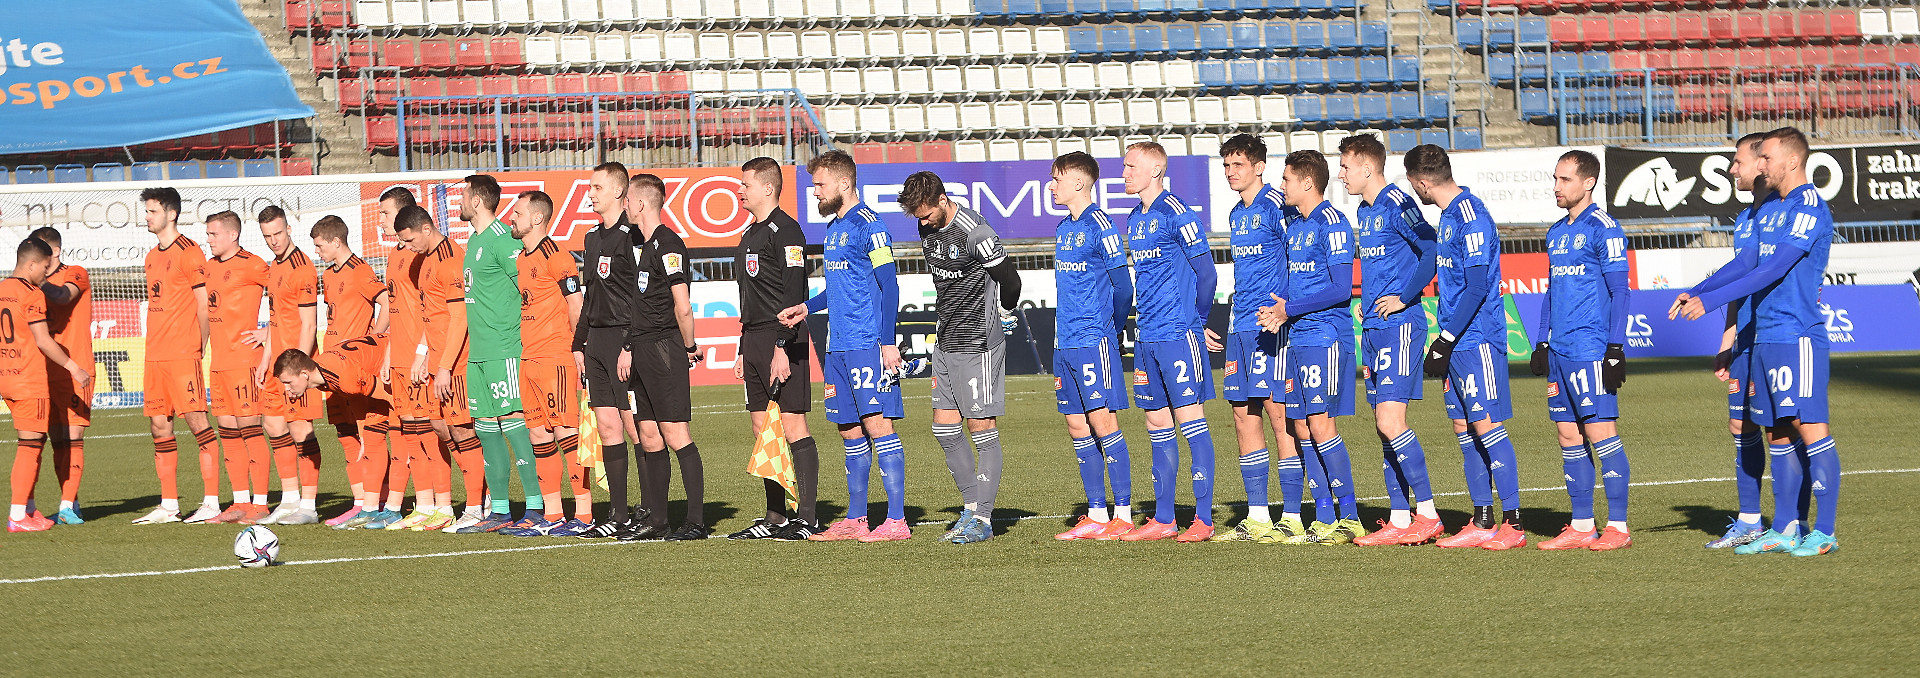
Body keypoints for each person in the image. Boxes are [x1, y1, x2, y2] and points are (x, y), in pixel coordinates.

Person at [1673, 127, 1840, 557]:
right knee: (1778, 432)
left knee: (1809, 426)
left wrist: (1710, 302)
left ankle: (1824, 531)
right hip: (1766, 335)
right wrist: (1699, 290)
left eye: (1766, 157)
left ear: (1792, 161)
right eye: (1759, 158)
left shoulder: (1808, 206)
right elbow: (1746, 262)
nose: (1760, 166)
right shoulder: (1768, 212)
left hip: (1796, 333)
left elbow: (1774, 269)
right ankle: (1783, 528)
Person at [777, 150, 913, 543]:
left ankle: (896, 521)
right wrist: (806, 307)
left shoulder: (870, 225)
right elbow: (836, 288)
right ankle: (856, 519)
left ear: (844, 183)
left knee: (877, 425)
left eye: (820, 184)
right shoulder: (834, 228)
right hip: (837, 345)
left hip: (867, 343)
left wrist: (887, 342)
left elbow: (889, 285)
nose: (815, 191)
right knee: (849, 430)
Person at [1404, 145, 1528, 550]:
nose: (1415, 190)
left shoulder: (1471, 217)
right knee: (1463, 427)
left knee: (1487, 426)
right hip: (1457, 340)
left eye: (1413, 183)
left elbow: (1476, 288)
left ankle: (1513, 523)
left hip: (1477, 339)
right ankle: (1482, 520)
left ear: (1423, 182)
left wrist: (1446, 339)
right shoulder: (1449, 216)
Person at [897, 171, 1022, 545]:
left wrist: (1006, 310)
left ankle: (983, 519)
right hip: (946, 340)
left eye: (925, 214)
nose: (922, 223)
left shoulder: (975, 231)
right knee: (944, 428)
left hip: (978, 341)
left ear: (942, 199)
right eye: (917, 217)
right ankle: (970, 510)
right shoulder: (927, 229)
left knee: (981, 427)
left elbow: (1010, 279)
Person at [1338, 135, 1445, 547]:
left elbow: (1430, 250)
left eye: (1346, 167)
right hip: (1374, 327)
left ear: (1367, 168)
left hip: (1401, 326)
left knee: (1390, 421)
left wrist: (1404, 297)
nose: (1341, 174)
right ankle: (1399, 518)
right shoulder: (1365, 210)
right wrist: (1367, 302)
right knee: (1383, 428)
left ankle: (1428, 514)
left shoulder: (1398, 203)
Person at [1256, 149, 1365, 545]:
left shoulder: (1332, 223)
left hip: (1325, 336)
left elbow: (1340, 289)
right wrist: (1277, 309)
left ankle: (1350, 518)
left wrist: (1289, 309)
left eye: (1286, 179)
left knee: (1320, 424)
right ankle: (1322, 518)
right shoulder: (1296, 226)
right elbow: (1295, 280)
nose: (1281, 185)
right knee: (1301, 425)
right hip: (1298, 337)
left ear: (1306, 182)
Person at [1114, 141, 1220, 543]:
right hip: (1147, 336)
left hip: (1178, 334)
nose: (1124, 173)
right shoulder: (1134, 218)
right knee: (1156, 422)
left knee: (1191, 421)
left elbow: (1207, 274)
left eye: (1131, 167)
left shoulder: (1177, 213)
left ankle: (1204, 519)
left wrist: (1198, 322)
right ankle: (1164, 519)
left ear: (1155, 170)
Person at [1531, 150, 1635, 551]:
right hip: (1559, 350)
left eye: (1565, 180)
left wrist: (1614, 348)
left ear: (1588, 182)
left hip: (1590, 349)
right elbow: (1552, 289)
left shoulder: (1604, 228)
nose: (1556, 187)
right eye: (1555, 179)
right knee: (1568, 434)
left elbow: (1620, 291)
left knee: (1600, 432)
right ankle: (1581, 525)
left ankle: (1618, 527)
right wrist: (1542, 339)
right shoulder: (1556, 232)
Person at [1201, 135, 1301, 543]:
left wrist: (1287, 308)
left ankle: (1292, 516)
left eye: (1238, 165)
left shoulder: (1278, 204)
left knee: (1279, 415)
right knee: (1243, 415)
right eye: (1227, 165)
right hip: (1240, 325)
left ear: (1259, 167)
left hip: (1272, 324)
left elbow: (1300, 257)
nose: (1231, 172)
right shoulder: (1236, 212)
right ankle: (1258, 516)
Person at [1689, 132, 1781, 550]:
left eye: (1737, 161)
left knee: (1781, 430)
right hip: (1744, 340)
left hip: (1775, 337)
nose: (1731, 169)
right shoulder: (1745, 219)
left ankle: (1792, 522)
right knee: (1740, 424)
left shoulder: (1783, 213)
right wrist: (1727, 339)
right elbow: (1740, 285)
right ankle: (1749, 520)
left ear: (1761, 163)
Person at [726, 157, 824, 541]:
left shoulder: (787, 231)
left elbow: (793, 292)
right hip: (753, 337)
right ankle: (776, 516)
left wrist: (783, 344)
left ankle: (808, 518)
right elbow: (749, 296)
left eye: (746, 184)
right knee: (762, 427)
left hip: (783, 336)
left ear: (767, 188)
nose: (740, 190)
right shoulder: (750, 233)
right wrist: (742, 346)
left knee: (793, 424)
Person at [1045, 152, 1141, 542]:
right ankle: (1097, 513)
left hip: (1092, 340)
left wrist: (1111, 330)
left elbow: (1123, 287)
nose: (1051, 185)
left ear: (1079, 183)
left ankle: (1124, 514)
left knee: (1104, 423)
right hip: (1064, 342)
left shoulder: (1101, 224)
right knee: (1076, 424)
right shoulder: (1063, 228)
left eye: (1057, 179)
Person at [451, 174, 544, 535]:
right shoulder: (474, 240)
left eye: (463, 196)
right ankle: (501, 510)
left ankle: (535, 507)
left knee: (515, 425)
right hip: (478, 353)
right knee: (486, 430)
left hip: (504, 348)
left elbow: (528, 287)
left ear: (476, 201)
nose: (459, 202)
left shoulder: (504, 239)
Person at [618, 173, 708, 542]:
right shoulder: (646, 245)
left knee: (675, 433)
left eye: (627, 200)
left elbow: (682, 306)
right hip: (641, 349)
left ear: (640, 203)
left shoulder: (669, 244)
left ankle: (696, 522)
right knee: (648, 434)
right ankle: (658, 521)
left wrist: (689, 347)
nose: (624, 206)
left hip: (663, 348)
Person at [501, 190, 596, 537]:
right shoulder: (521, 259)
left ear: (537, 218)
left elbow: (576, 304)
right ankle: (553, 514)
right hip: (529, 359)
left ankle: (584, 515)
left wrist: (578, 348)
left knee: (566, 433)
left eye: (518, 213)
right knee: (538, 435)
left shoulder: (556, 256)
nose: (511, 218)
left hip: (556, 357)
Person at [341, 187, 433, 530]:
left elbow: (430, 309)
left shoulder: (421, 255)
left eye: (384, 213)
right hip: (400, 357)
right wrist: (388, 352)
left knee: (438, 433)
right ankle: (397, 505)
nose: (379, 219)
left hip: (420, 357)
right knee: (402, 433)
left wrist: (423, 352)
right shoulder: (395, 255)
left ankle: (464, 503)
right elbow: (396, 312)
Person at [130, 187, 222, 525]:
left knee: (197, 422)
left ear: (171, 214)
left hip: (183, 353)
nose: (147, 217)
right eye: (146, 211)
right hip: (155, 355)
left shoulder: (190, 251)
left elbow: (204, 304)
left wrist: (201, 344)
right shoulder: (151, 256)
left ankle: (211, 502)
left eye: (152, 211)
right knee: (159, 426)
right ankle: (169, 505)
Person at [391, 204, 484, 532]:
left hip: (456, 362)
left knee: (462, 430)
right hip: (436, 360)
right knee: (441, 428)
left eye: (410, 239)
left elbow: (460, 317)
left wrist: (444, 366)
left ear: (427, 229)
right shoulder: (424, 259)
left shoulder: (451, 259)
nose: (407, 246)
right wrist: (422, 354)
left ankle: (477, 505)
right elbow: (430, 314)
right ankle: (477, 496)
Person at [572, 161, 647, 539]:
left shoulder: (633, 237)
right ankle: (617, 513)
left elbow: (643, 295)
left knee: (636, 427)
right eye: (590, 187)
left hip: (624, 340)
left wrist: (631, 343)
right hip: (597, 342)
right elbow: (590, 296)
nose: (590, 194)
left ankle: (649, 510)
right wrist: (578, 342)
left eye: (597, 187)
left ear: (619, 191)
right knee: (606, 426)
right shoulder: (590, 238)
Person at [4, 239, 94, 532]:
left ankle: (29, 510)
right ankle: (18, 515)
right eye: (43, 268)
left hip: (7, 376)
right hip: (29, 379)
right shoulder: (32, 293)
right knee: (30, 447)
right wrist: (73, 367)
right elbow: (43, 340)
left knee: (33, 444)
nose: (46, 274)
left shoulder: (2, 289)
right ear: (31, 264)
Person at [200, 211, 276, 526]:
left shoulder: (253, 264)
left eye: (213, 234)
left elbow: (287, 294)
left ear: (232, 235)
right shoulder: (209, 267)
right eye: (208, 234)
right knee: (228, 432)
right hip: (219, 363)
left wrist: (269, 331)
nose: (209, 240)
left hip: (245, 362)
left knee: (251, 430)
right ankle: (240, 501)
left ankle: (261, 504)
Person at [253, 206, 326, 526]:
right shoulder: (274, 266)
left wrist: (301, 371)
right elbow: (274, 320)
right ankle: (290, 499)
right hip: (278, 365)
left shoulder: (303, 267)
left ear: (289, 229)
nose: (274, 240)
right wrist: (265, 359)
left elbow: (309, 325)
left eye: (278, 233)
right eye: (267, 236)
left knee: (300, 429)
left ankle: (308, 507)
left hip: (297, 369)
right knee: (272, 424)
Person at [29, 227, 94, 526]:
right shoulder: (31, 285)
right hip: (43, 370)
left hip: (76, 369)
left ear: (54, 251)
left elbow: (63, 296)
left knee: (73, 436)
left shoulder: (76, 273)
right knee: (55, 438)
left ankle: (67, 506)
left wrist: (39, 281)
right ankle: (72, 503)